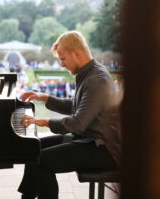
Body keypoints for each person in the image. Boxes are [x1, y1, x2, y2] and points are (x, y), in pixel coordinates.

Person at [18, 31, 121, 199]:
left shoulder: (96, 80)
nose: (61, 64)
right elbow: (75, 105)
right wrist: (44, 97)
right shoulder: (89, 73)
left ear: (77, 53)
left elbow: (77, 123)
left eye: (62, 59)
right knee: (32, 149)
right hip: (86, 139)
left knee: (42, 161)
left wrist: (42, 122)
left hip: (103, 149)